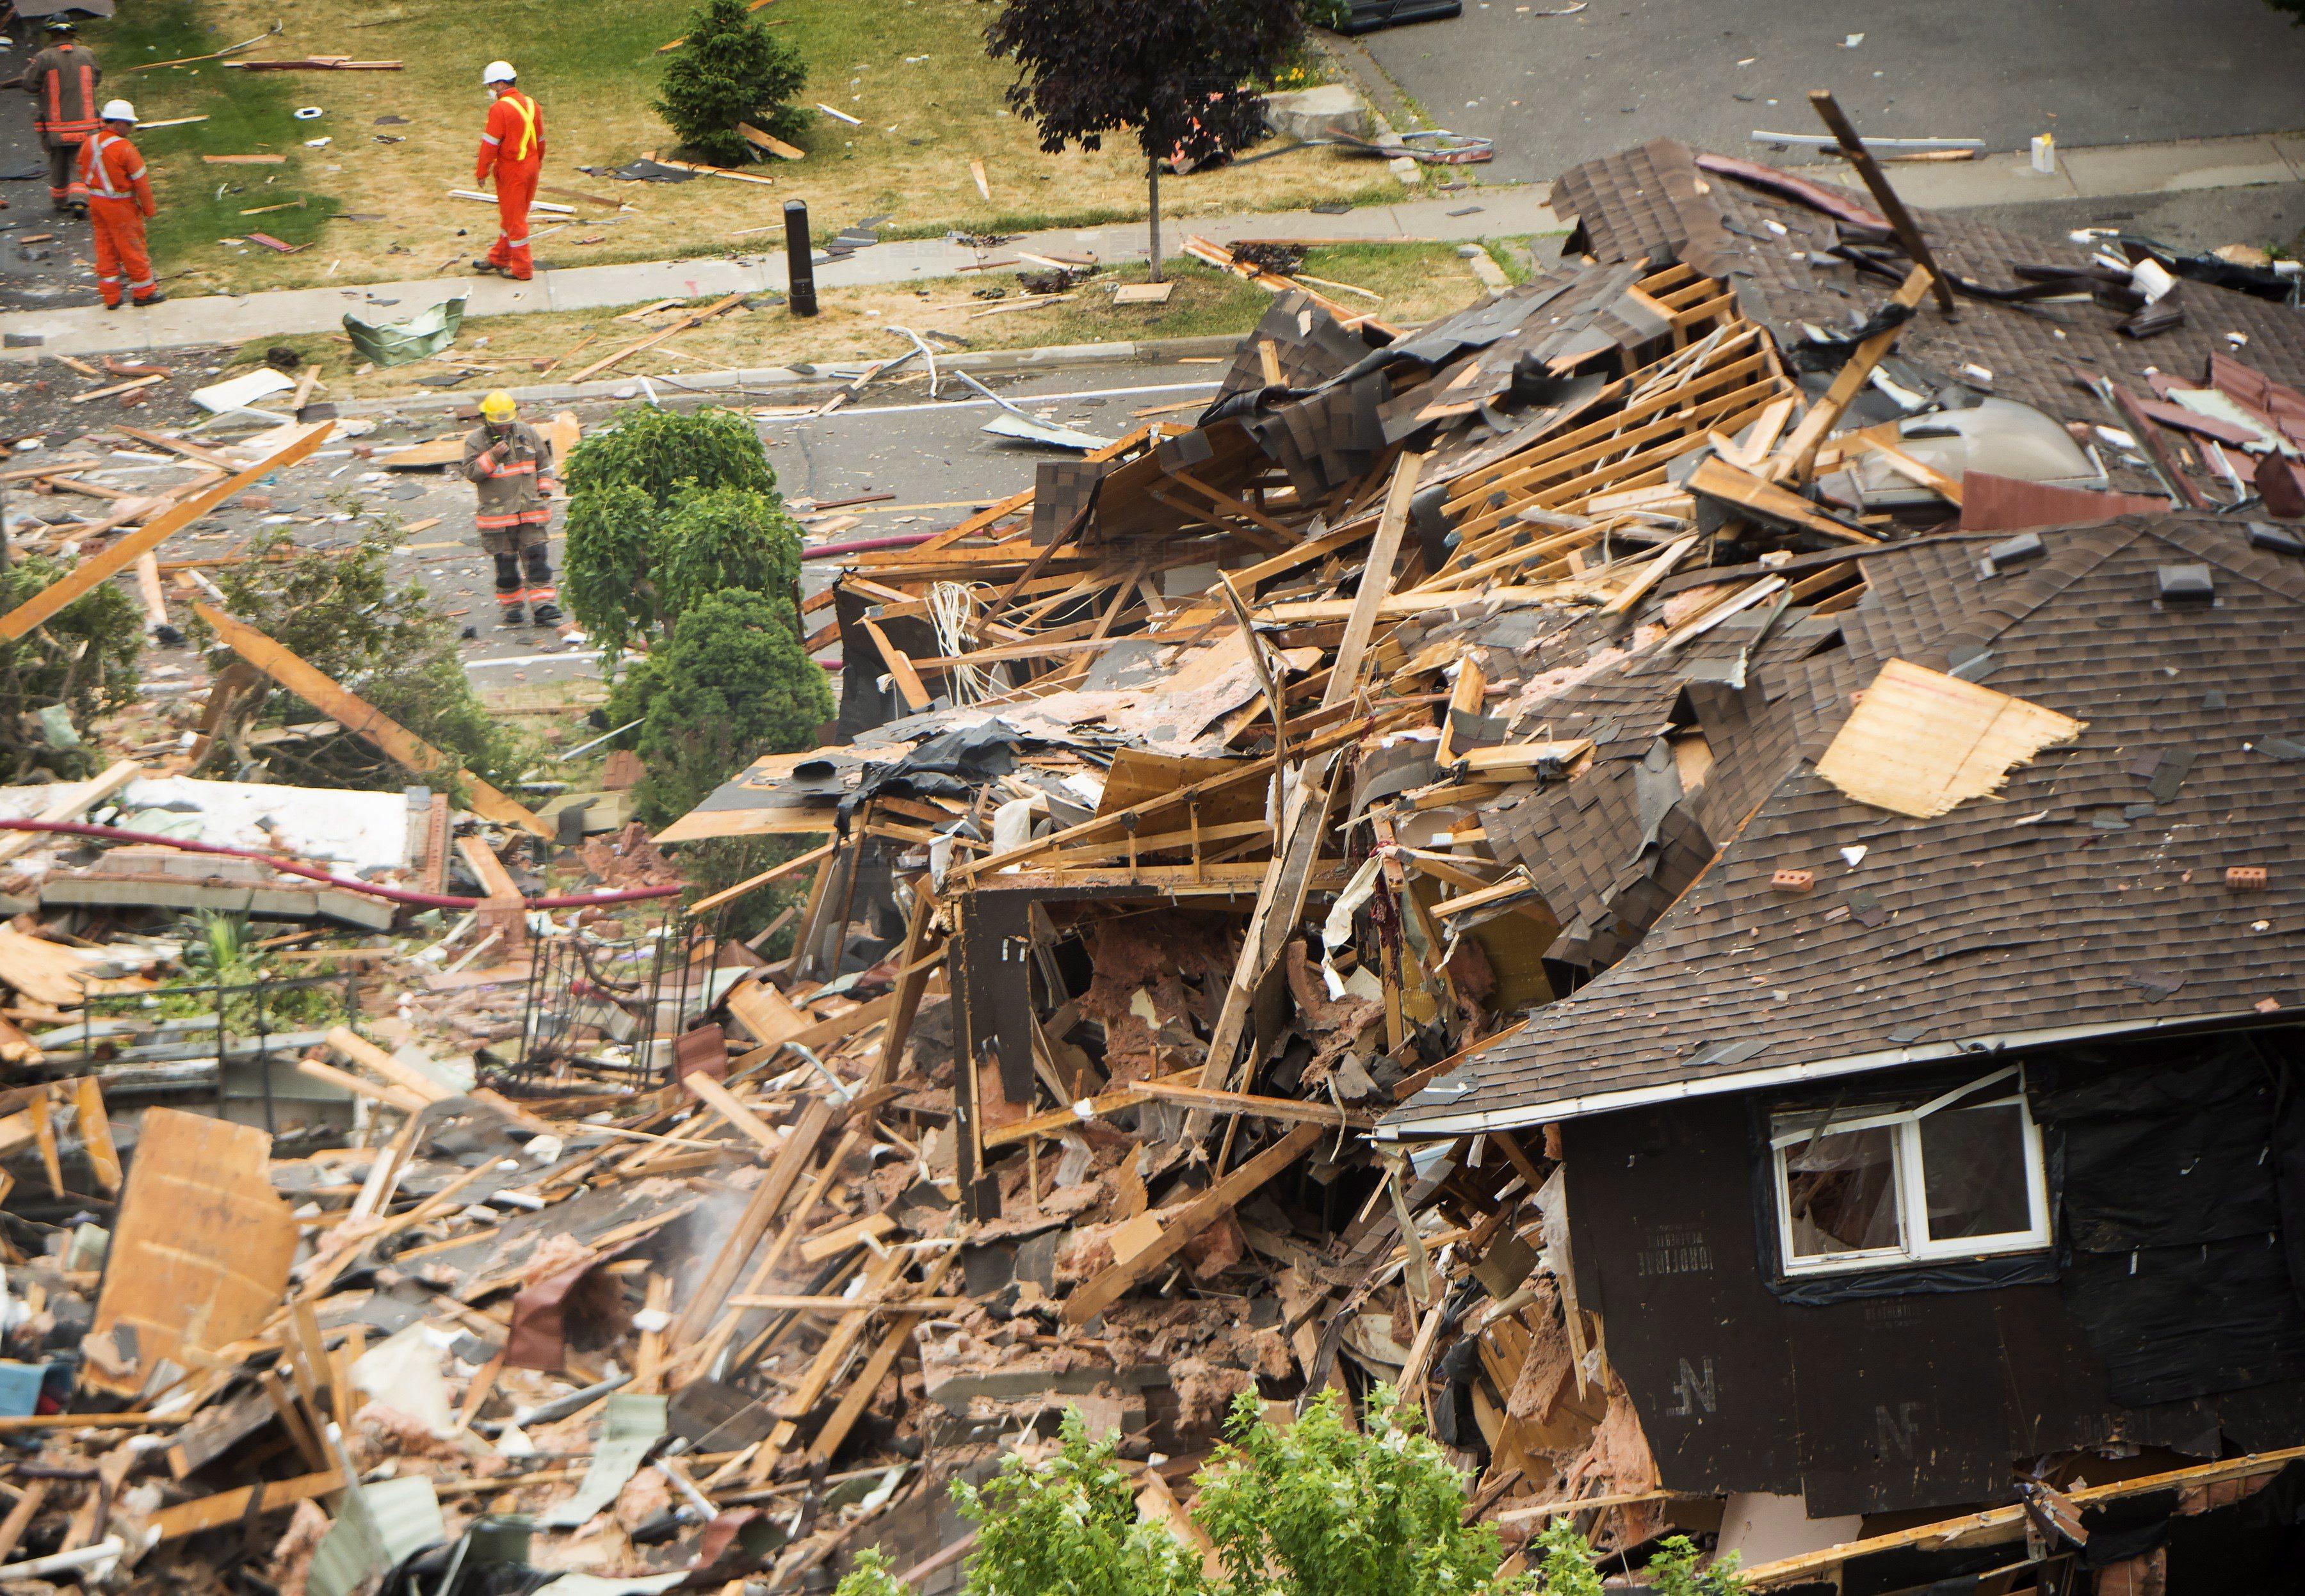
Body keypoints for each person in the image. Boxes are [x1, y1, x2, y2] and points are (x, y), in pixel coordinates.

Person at [462, 391, 562, 627]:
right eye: (499, 421)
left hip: (530, 512)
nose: (504, 425)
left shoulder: (527, 434)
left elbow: (544, 465)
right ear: (487, 418)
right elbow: (472, 473)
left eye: (507, 419)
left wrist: (545, 491)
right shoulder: (476, 441)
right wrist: (492, 457)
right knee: (506, 566)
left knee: (537, 559)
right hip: (498, 518)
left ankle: (543, 606)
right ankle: (513, 607)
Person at [77, 101, 161, 309]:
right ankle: (144, 292)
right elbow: (141, 182)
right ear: (121, 124)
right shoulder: (125, 148)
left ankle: (111, 297)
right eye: (130, 124)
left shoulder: (90, 143)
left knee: (105, 247)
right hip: (121, 206)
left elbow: (81, 167)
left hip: (97, 203)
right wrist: (149, 209)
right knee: (132, 247)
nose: (131, 129)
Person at [472, 60, 544, 281]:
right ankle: (499, 258)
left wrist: (481, 172)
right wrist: (535, 163)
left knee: (515, 221)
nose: (491, 90)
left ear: (502, 84)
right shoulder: (533, 104)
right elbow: (540, 140)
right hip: (531, 166)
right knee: (512, 216)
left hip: (513, 170)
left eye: (492, 86)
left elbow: (490, 144)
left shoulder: (500, 109)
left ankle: (522, 269)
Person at [20, 20, 100, 214]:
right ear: (72, 34)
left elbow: (29, 84)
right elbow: (96, 79)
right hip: (86, 124)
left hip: (57, 128)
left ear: (51, 35)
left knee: (59, 161)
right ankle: (80, 199)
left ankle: (61, 201)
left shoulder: (44, 58)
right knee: (82, 161)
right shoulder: (87, 54)